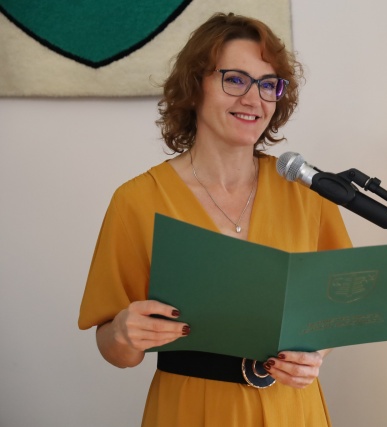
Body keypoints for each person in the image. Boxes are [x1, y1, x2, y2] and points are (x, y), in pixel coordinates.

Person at [78, 12, 352, 427]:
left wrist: (314, 355)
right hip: (190, 410)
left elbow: (336, 311)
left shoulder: (307, 193)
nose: (254, 99)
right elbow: (114, 348)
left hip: (292, 411)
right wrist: (122, 332)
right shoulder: (136, 201)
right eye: (235, 79)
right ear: (195, 87)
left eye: (268, 84)